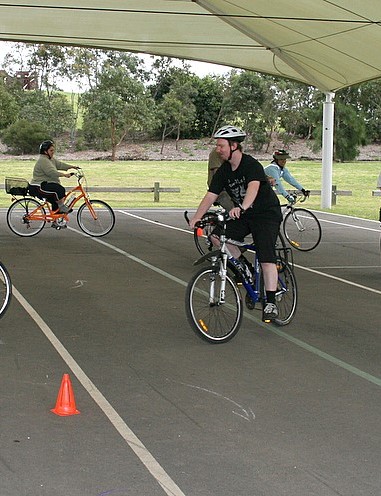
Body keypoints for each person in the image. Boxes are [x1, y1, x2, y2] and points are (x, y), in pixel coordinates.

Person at [189, 125, 282, 322]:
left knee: (266, 256)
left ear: (234, 146)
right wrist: (197, 217)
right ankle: (245, 268)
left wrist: (243, 207)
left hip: (265, 213)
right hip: (244, 214)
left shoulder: (251, 165)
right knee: (216, 236)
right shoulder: (224, 171)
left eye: (221, 145)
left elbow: (253, 188)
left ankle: (271, 302)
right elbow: (210, 195)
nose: (218, 149)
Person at [30, 140, 79, 213]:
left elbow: (59, 164)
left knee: (56, 201)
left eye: (53, 150)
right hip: (38, 186)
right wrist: (64, 175)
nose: (53, 152)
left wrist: (72, 166)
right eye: (51, 150)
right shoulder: (43, 160)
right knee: (59, 190)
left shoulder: (50, 159)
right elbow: (51, 172)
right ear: (45, 151)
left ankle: (56, 222)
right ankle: (62, 207)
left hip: (44, 184)